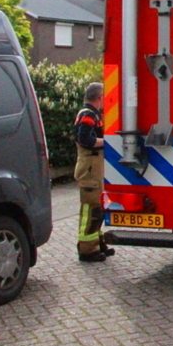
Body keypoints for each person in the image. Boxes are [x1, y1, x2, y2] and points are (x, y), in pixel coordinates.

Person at [73, 82, 113, 262]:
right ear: (99, 97)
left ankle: (97, 243)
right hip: (89, 167)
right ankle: (87, 250)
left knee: (97, 206)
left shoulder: (92, 113)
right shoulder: (87, 114)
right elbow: (85, 140)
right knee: (91, 209)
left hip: (94, 166)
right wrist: (107, 142)